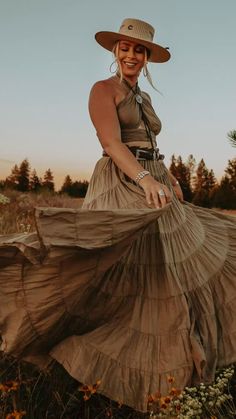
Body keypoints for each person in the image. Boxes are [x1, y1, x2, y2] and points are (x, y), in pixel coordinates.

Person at [0, 18, 236, 414]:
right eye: (125, 47)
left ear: (147, 58)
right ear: (115, 51)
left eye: (139, 50)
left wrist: (169, 177)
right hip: (122, 179)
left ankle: (171, 369)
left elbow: (151, 144)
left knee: (170, 270)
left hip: (152, 177)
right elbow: (111, 141)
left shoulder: (144, 97)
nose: (131, 55)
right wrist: (143, 178)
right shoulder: (102, 90)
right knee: (117, 265)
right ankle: (86, 363)